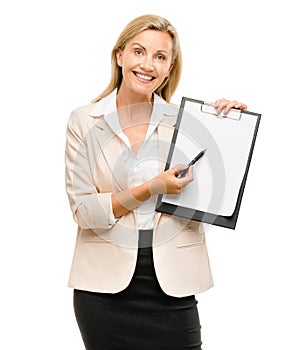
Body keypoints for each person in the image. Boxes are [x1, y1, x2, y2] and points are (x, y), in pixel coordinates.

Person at [65, 14, 247, 350]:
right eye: (138, 51)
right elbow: (84, 212)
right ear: (119, 56)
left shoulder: (188, 123)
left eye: (160, 57)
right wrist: (150, 188)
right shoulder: (84, 120)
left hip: (171, 282)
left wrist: (228, 125)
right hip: (103, 290)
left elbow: (213, 197)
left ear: (169, 67)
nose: (148, 64)